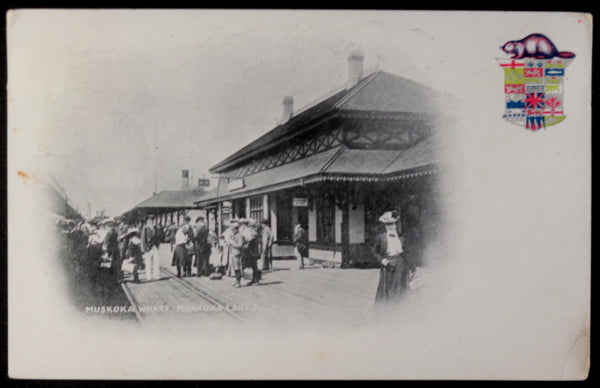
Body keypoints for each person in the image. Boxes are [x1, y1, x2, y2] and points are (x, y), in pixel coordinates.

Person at [371, 210, 410, 305]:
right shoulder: (381, 237)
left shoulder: (401, 237)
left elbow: (405, 253)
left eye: (392, 224)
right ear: (385, 226)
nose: (390, 226)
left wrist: (412, 268)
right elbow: (374, 251)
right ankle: (386, 310)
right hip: (388, 264)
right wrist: (383, 260)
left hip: (401, 263)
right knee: (387, 289)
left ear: (395, 225)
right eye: (388, 224)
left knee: (400, 287)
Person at [240, 218, 261, 286]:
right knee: (253, 265)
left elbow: (249, 239)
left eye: (250, 226)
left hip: (253, 251)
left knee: (254, 265)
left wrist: (244, 239)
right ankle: (254, 279)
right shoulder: (252, 231)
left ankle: (256, 280)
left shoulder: (254, 232)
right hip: (251, 250)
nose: (249, 227)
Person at [225, 219, 245, 288]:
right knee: (235, 267)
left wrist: (232, 243)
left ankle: (238, 282)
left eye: (233, 229)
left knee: (237, 267)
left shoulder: (239, 236)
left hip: (237, 253)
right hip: (234, 252)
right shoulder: (235, 235)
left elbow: (240, 245)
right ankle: (236, 280)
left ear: (236, 229)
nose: (232, 231)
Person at [141, 215, 161, 281]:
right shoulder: (145, 228)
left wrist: (158, 245)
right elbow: (143, 239)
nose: (151, 222)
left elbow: (158, 236)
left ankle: (156, 275)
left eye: (152, 220)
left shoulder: (155, 228)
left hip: (155, 246)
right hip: (148, 247)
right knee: (148, 262)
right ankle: (148, 276)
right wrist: (145, 247)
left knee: (156, 261)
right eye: (149, 221)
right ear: (147, 221)